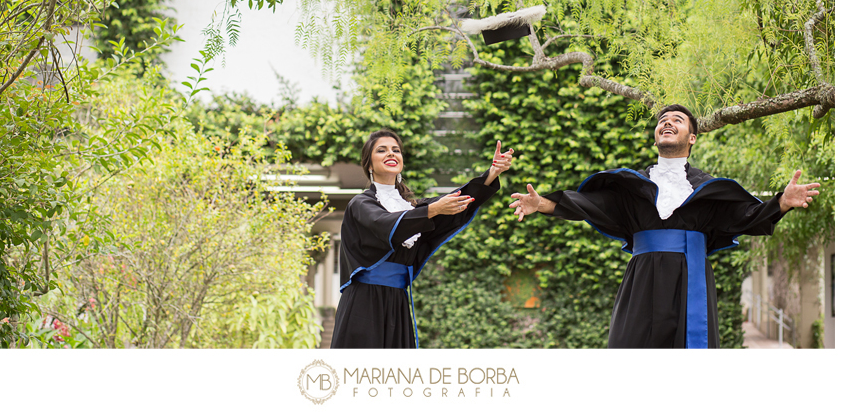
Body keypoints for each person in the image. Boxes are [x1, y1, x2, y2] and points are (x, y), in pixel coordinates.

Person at [509, 104, 819, 349]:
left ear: (692, 137)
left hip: (691, 279)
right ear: (656, 134)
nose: (667, 123)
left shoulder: (709, 189)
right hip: (641, 280)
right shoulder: (631, 186)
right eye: (663, 120)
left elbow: (746, 216)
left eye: (677, 120)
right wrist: (542, 204)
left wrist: (782, 202)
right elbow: (591, 205)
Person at [330, 129, 513, 348]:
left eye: (396, 150)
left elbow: (456, 203)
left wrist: (491, 174)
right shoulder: (360, 204)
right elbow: (385, 224)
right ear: (369, 164)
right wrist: (433, 210)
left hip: (397, 301)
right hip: (364, 303)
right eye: (382, 150)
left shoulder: (411, 207)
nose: (391, 154)